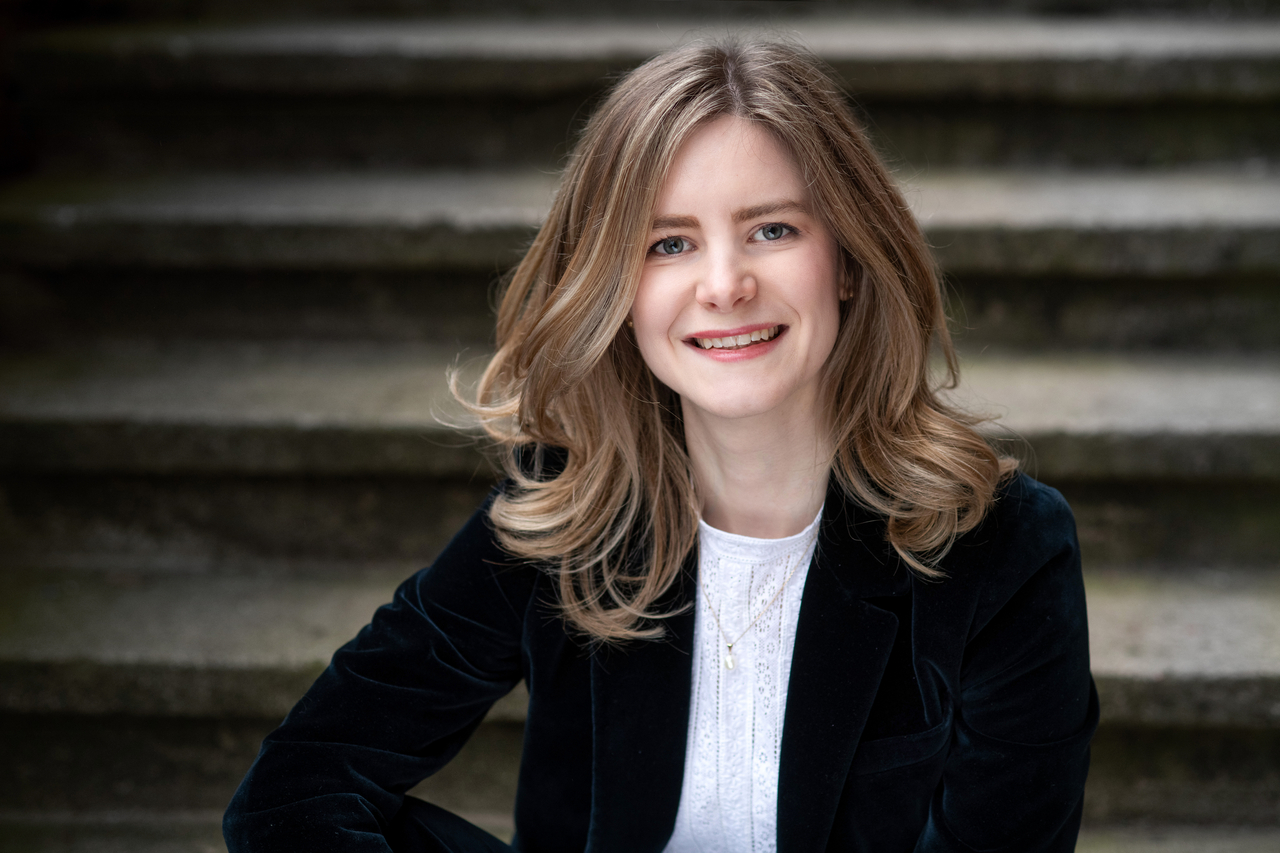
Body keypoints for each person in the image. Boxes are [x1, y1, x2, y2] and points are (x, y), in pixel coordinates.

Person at [223, 38, 1097, 853]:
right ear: (617, 289)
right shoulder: (568, 515)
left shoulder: (1000, 546)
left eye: (772, 229)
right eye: (669, 244)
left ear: (848, 260)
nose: (724, 285)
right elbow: (293, 790)